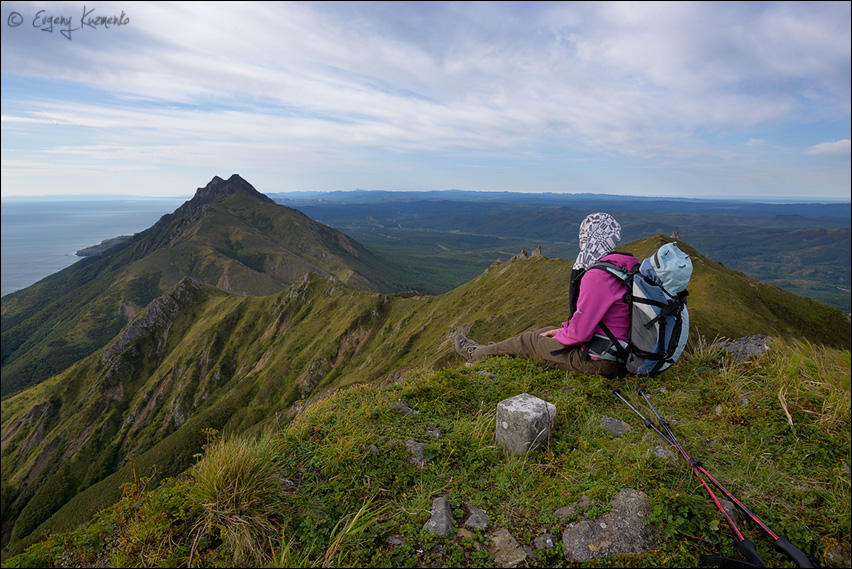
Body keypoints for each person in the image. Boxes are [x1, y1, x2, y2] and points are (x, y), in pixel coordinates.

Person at [453, 212, 638, 377]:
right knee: (544, 331)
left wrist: (564, 335)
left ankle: (475, 354)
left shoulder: (597, 276)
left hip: (602, 362)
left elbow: (579, 334)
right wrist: (561, 331)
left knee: (528, 341)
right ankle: (492, 350)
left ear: (586, 239)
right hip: (619, 351)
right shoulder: (621, 268)